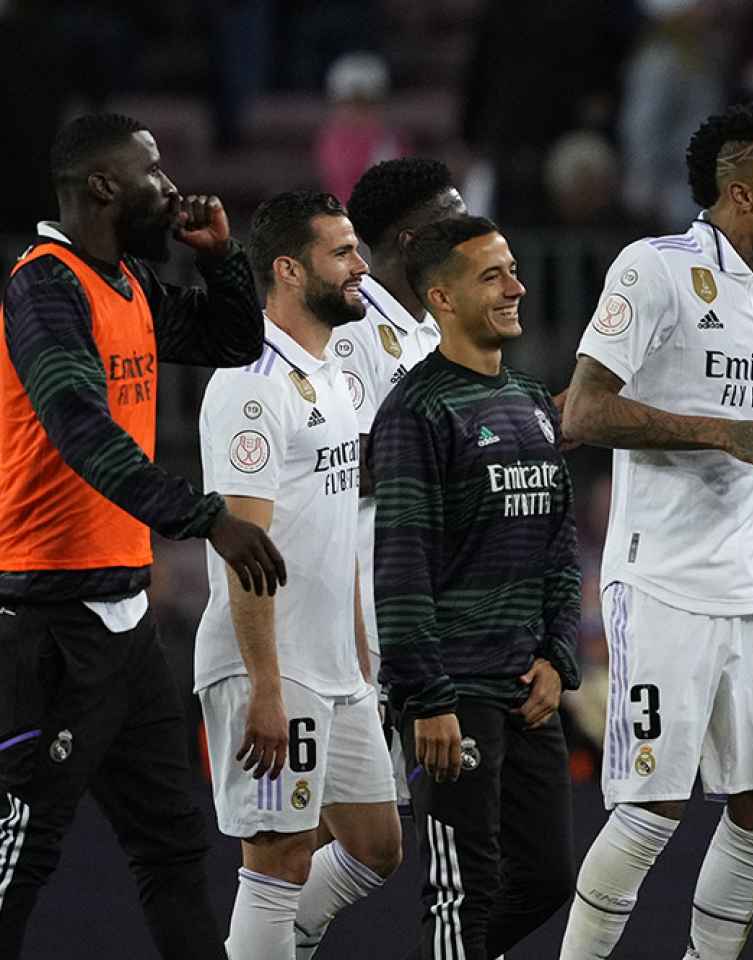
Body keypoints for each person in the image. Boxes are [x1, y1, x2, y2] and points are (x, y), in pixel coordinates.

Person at [0, 112, 283, 960]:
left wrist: (221, 259)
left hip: (124, 628)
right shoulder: (43, 285)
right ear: (103, 187)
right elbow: (80, 429)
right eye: (152, 172)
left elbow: (236, 340)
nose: (171, 186)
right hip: (47, 624)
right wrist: (206, 519)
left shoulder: (128, 283)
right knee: (20, 862)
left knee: (173, 849)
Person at [558, 102, 753, 960]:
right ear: (739, 194)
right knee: (651, 808)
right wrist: (721, 430)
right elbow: (582, 412)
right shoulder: (655, 269)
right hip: (662, 574)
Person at [193, 189, 401, 958]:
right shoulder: (250, 382)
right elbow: (244, 549)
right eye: (342, 253)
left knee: (376, 845)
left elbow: (338, 531)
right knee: (276, 862)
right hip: (270, 666)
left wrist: (361, 659)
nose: (361, 267)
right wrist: (268, 687)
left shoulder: (336, 380)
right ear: (288, 267)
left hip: (336, 667)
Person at [374, 214, 581, 960]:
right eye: (492, 276)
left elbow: (558, 541)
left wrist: (559, 654)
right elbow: (400, 566)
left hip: (527, 685)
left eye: (515, 270)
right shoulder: (416, 410)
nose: (516, 287)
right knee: (463, 887)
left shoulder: (529, 397)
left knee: (548, 877)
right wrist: (425, 697)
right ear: (442, 298)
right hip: (454, 689)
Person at [337, 156, 463, 811]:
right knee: (359, 829)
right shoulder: (352, 327)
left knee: (382, 836)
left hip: (423, 598)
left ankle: (290, 919)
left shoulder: (432, 329)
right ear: (413, 242)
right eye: (455, 222)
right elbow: (342, 461)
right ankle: (280, 917)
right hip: (363, 602)